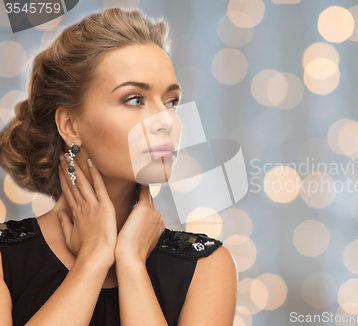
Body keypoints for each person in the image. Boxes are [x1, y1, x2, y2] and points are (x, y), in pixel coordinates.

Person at [0, 7, 237, 326]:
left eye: (171, 102)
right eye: (135, 99)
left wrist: (130, 264)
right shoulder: (5, 260)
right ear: (69, 125)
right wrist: (93, 261)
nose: (165, 121)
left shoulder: (207, 266)